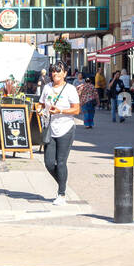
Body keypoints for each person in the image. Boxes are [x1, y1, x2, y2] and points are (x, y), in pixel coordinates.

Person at [39, 62, 80, 206]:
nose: (55, 74)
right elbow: (42, 104)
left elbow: (76, 110)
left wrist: (60, 111)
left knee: (61, 162)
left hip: (66, 128)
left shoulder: (70, 89)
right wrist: (39, 109)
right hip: (50, 127)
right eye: (53, 71)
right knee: (49, 163)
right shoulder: (47, 88)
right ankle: (63, 184)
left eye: (58, 71)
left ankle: (61, 194)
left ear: (65, 74)